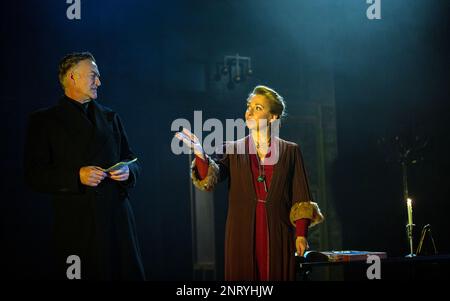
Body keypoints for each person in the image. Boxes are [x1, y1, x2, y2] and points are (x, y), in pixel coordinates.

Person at [175, 85, 324, 281]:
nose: (249, 111)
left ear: (273, 117)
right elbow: (212, 177)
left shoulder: (290, 151)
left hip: (278, 235)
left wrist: (301, 235)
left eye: (258, 108)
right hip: (241, 235)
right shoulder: (233, 149)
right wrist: (200, 154)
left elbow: (301, 198)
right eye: (249, 106)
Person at [24, 52, 145, 280]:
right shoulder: (44, 121)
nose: (99, 82)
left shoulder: (110, 116)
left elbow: (133, 159)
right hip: (76, 224)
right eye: (93, 76)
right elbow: (34, 175)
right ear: (72, 77)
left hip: (117, 221)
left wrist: (128, 171)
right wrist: (76, 176)